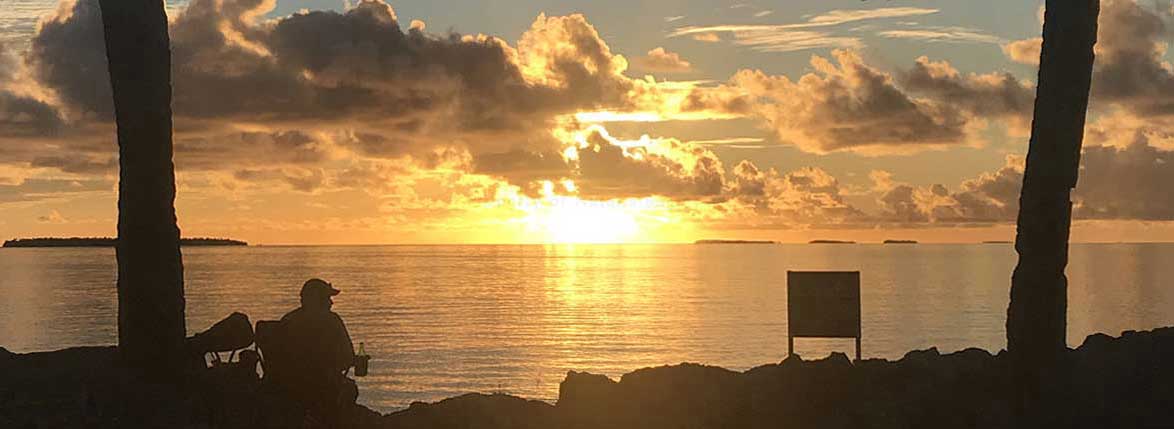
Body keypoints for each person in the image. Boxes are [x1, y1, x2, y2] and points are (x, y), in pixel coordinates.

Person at [279, 278, 359, 425]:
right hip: (321, 387)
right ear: (317, 300)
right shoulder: (331, 321)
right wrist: (358, 361)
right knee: (350, 388)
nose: (331, 303)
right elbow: (346, 359)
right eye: (327, 298)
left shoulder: (288, 319)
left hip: (285, 386)